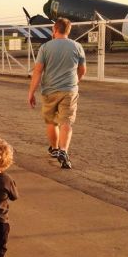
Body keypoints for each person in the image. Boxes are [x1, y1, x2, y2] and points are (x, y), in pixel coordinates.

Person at [28, 17, 87, 169]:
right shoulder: (77, 46)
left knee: (51, 121)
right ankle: (63, 150)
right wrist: (76, 81)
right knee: (66, 122)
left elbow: (38, 71)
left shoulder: (45, 47)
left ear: (54, 29)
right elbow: (82, 70)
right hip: (69, 90)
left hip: (49, 91)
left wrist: (31, 92)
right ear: (68, 30)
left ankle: (54, 148)